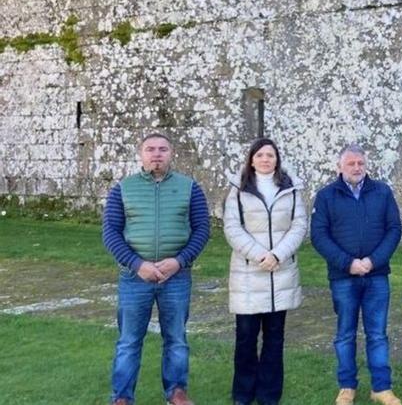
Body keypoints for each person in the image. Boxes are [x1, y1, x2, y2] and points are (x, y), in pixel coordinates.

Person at [102, 132, 211, 405]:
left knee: (176, 339)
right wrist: (137, 264)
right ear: (141, 154)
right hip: (134, 278)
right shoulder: (123, 189)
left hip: (176, 277)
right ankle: (122, 397)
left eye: (162, 149)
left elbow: (202, 230)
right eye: (150, 149)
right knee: (129, 341)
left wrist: (179, 261)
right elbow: (111, 233)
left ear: (171, 153)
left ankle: (176, 392)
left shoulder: (190, 188)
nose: (156, 154)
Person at [310, 143, 402, 405]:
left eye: (360, 163)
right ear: (340, 167)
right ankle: (347, 386)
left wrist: (373, 261)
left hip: (376, 275)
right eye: (351, 163)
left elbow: (394, 229)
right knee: (345, 334)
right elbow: (318, 235)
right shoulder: (327, 196)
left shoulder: (382, 192)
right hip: (343, 277)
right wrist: (347, 262)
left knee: (377, 334)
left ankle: (382, 388)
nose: (356, 167)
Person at [223, 138, 307, 405]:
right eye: (260, 155)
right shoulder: (238, 190)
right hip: (249, 273)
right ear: (252, 159)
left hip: (279, 273)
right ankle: (243, 394)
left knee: (274, 339)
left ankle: (269, 394)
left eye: (270, 155)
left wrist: (278, 254)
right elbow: (232, 228)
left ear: (277, 159)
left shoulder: (290, 189)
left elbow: (299, 225)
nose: (265, 159)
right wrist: (260, 255)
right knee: (246, 338)